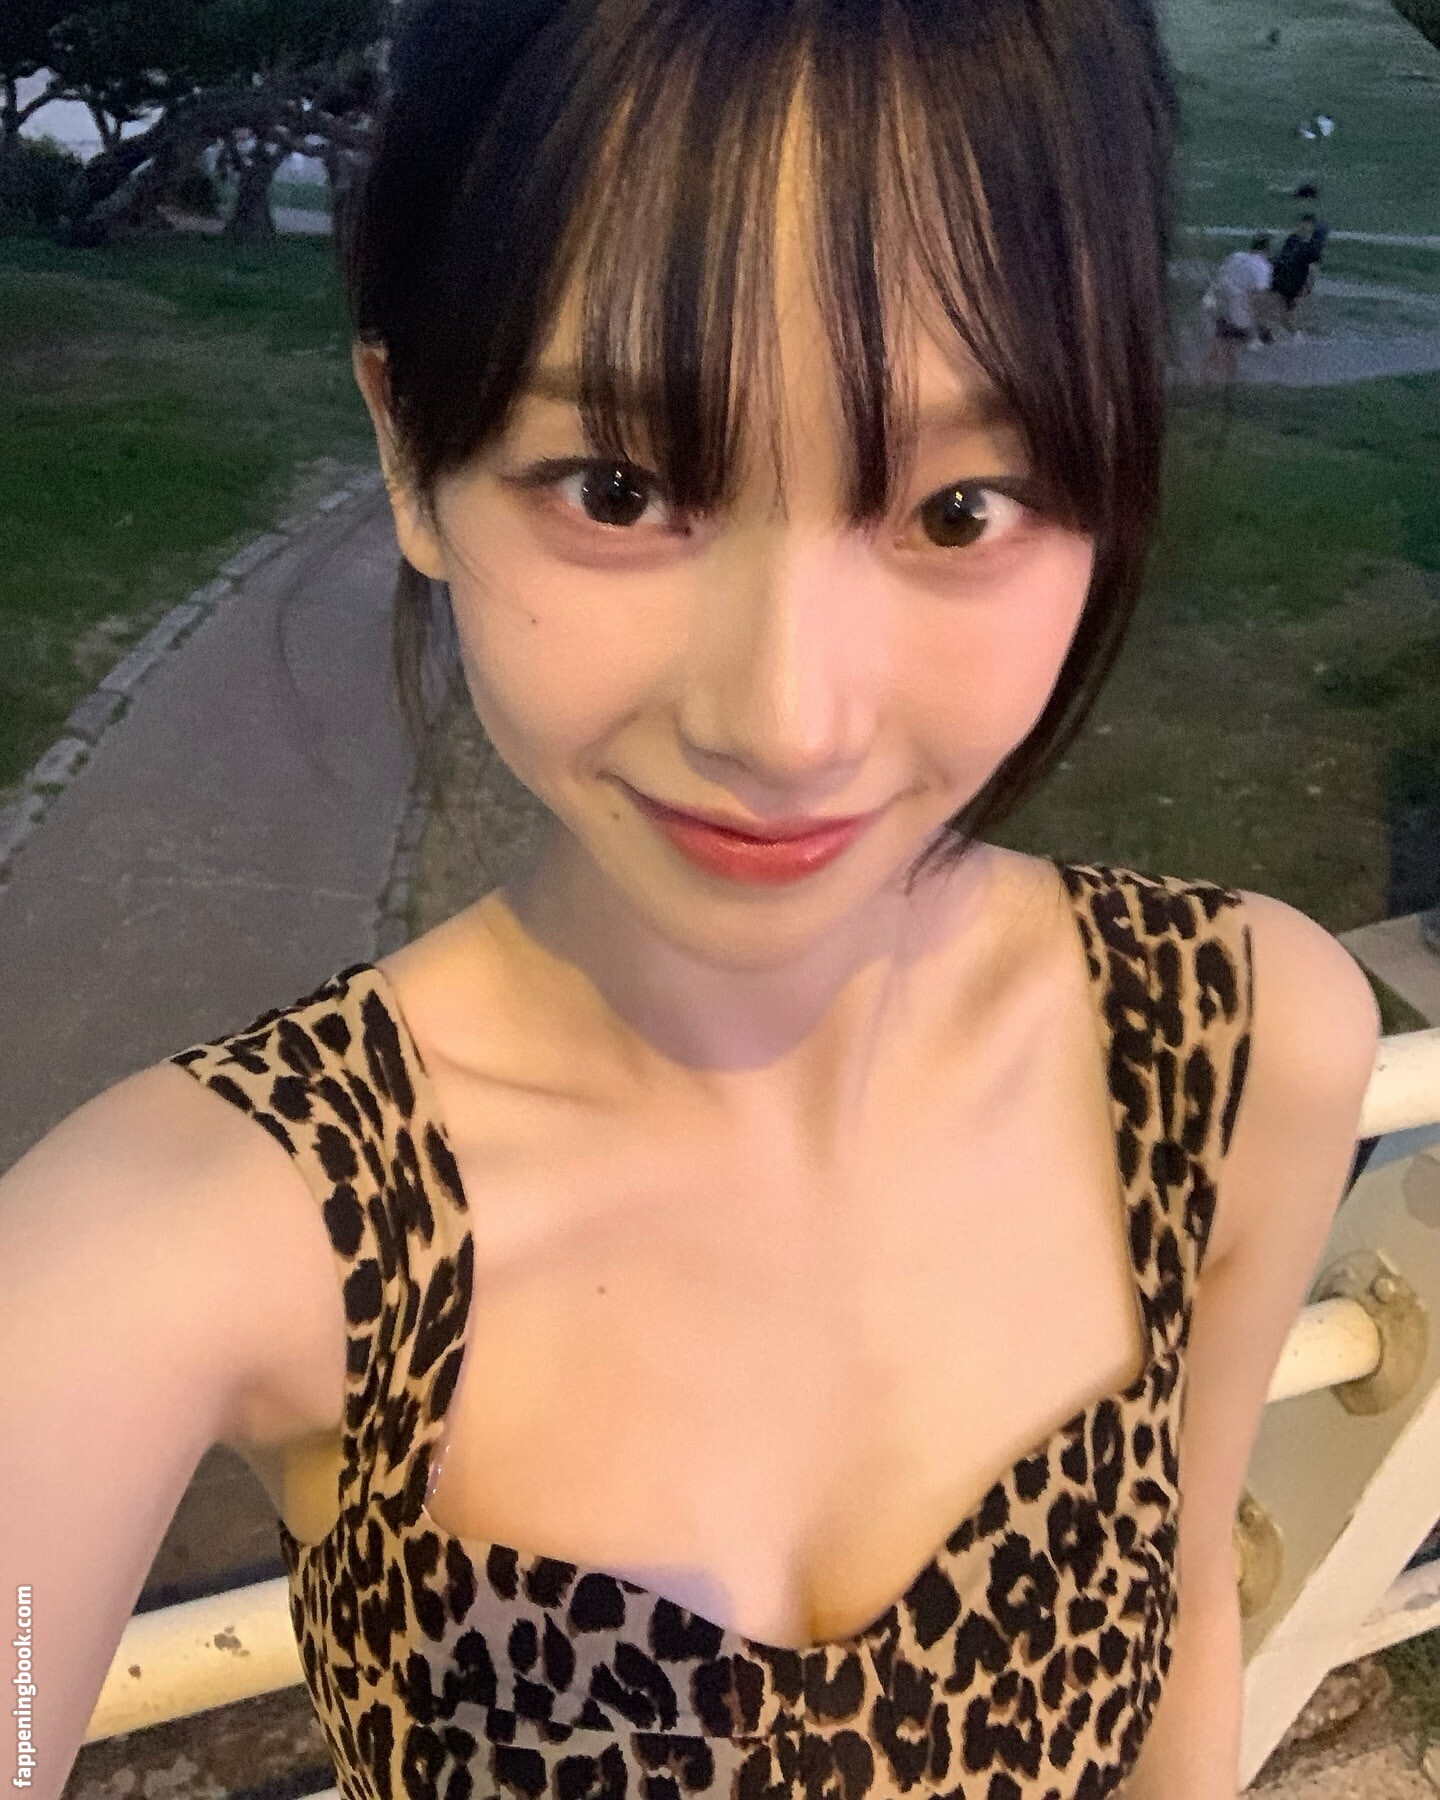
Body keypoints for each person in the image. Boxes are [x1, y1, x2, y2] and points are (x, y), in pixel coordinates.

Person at [2, 1, 1382, 1797]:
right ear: (413, 454)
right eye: (622, 488)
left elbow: (1187, 1611)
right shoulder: (205, 1235)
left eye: (960, 510)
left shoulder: (1234, 1047)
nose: (785, 723)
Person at [1204, 233, 1275, 381]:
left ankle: (1205, 377)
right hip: (1240, 314)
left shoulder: (1236, 257)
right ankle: (1226, 382)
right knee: (1234, 351)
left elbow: (1220, 277)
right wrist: (1261, 325)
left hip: (1222, 307)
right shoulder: (1262, 267)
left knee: (1218, 345)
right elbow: (1256, 297)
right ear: (1267, 249)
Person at [1271, 213, 1326, 338]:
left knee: (1285, 314)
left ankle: (1297, 337)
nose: (1303, 226)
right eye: (1302, 223)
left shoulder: (1313, 247)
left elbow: (1313, 270)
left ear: (1312, 227)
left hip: (1297, 285)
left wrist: (1305, 289)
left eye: (1307, 224)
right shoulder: (1292, 240)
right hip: (1284, 280)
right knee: (1278, 311)